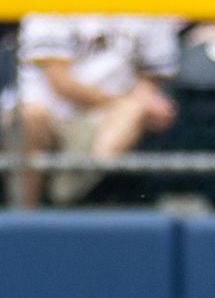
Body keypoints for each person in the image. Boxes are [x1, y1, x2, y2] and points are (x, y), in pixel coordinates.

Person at [17, 12, 179, 206]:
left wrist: (142, 102)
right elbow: (61, 83)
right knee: (31, 116)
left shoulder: (148, 0)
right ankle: (24, 214)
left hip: (105, 116)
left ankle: (65, 200)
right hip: (50, 112)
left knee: (135, 109)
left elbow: (152, 76)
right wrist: (120, 102)